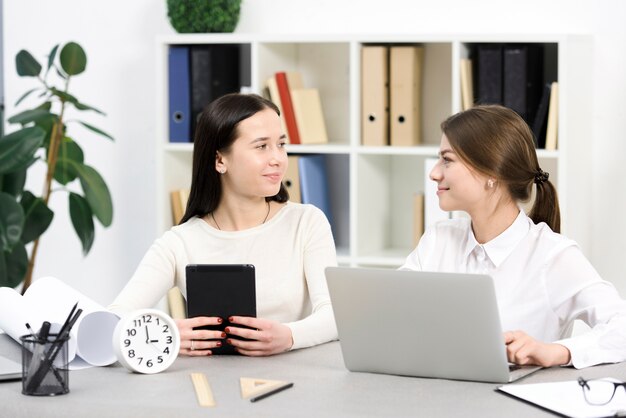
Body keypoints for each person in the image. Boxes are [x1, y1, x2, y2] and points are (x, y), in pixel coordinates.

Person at [109, 93, 338, 356]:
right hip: (207, 386)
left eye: (281, 144)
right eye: (262, 146)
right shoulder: (180, 242)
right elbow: (114, 321)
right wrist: (166, 332)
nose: (278, 158)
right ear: (220, 160)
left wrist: (289, 336)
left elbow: (335, 314)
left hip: (296, 382)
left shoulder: (307, 222)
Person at [401, 104, 626, 369]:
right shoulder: (438, 241)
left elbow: (620, 328)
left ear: (491, 174)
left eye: (447, 160)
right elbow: (391, 311)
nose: (434, 172)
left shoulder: (552, 255)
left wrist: (556, 351)